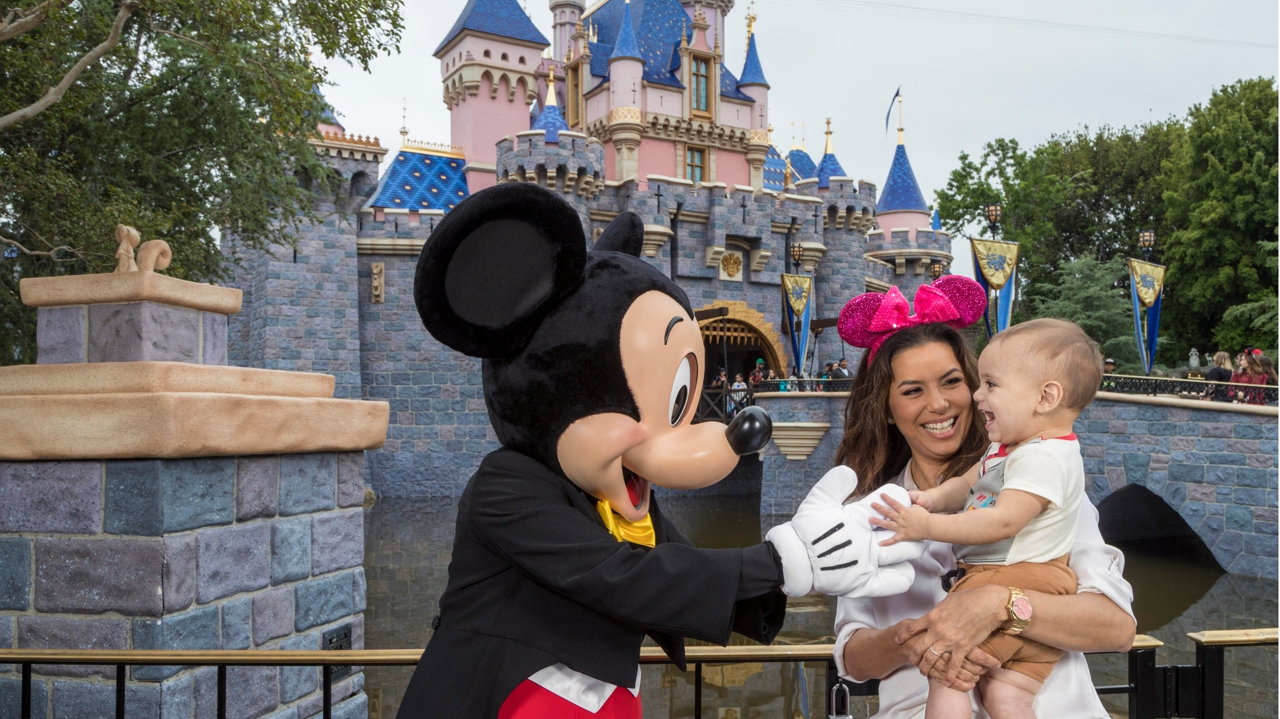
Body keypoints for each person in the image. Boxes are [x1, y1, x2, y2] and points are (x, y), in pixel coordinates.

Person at [830, 283, 1136, 719]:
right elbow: (853, 659)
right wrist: (919, 637)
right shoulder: (870, 512)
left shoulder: (1040, 481)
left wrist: (1003, 605)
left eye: (953, 382)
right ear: (884, 405)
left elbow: (1117, 628)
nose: (939, 404)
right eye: (913, 390)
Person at [871, 319, 1101, 718]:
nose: (977, 396)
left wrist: (926, 525)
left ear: (1046, 397)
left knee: (947, 671)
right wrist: (931, 499)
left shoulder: (1042, 458)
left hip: (1014, 576)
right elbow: (966, 483)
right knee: (1009, 697)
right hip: (1033, 580)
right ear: (886, 408)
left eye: (989, 385)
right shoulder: (1013, 451)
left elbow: (1002, 522)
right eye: (913, 390)